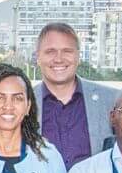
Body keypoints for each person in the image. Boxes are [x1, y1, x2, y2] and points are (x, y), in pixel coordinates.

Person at [33, 22, 113, 165]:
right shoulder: (23, 102)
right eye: (50, 51)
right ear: (38, 57)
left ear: (78, 56)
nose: (58, 59)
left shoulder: (111, 100)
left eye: (67, 51)